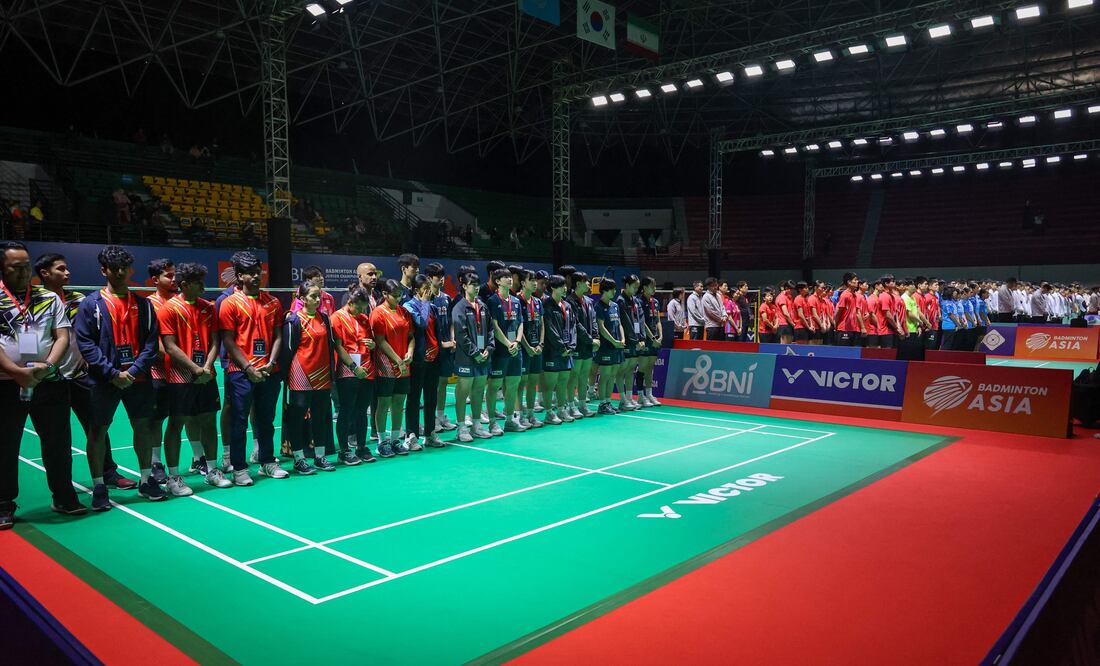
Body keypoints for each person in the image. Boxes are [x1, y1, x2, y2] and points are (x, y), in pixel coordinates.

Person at [34, 252, 136, 491]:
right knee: (56, 437)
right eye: (60, 269)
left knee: (97, 425)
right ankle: (62, 488)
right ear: (44, 274)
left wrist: (93, 362)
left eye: (67, 268)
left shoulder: (79, 300)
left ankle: (108, 473)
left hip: (81, 375)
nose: (67, 273)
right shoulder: (35, 302)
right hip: (50, 378)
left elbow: (92, 337)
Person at [0, 241, 85, 527]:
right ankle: (3, 503)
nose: (24, 272)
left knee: (58, 443)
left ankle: (64, 495)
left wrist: (47, 365)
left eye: (27, 266)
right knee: (5, 445)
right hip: (5, 385)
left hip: (49, 382)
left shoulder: (48, 297)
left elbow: (62, 336)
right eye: (16, 267)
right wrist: (15, 371)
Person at [75, 245, 163, 507]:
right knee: (98, 429)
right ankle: (99, 486)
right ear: (104, 271)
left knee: (142, 427)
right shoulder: (92, 304)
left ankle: (146, 480)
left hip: (138, 378)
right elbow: (85, 343)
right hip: (104, 379)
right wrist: (112, 373)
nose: (121, 272)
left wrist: (133, 371)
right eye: (115, 269)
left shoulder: (143, 305)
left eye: (125, 268)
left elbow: (150, 343)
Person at [157, 263, 232, 495]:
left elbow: (214, 342)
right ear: (185, 284)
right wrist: (194, 368)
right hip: (180, 376)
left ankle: (211, 471)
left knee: (209, 421)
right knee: (176, 424)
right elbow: (169, 346)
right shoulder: (169, 309)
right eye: (198, 282)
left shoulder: (208, 308)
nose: (203, 286)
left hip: (206, 374)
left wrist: (207, 366)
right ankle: (173, 477)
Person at [219, 251, 287, 485]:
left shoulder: (273, 302)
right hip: (241, 372)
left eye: (258, 272)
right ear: (239, 276)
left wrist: (271, 361)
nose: (257, 276)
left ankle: (267, 462)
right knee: (239, 420)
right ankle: (239, 468)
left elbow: (278, 335)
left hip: (269, 371)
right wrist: (248, 367)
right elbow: (228, 340)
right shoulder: (229, 304)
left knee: (266, 419)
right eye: (250, 273)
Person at [281, 281, 343, 475]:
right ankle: (299, 459)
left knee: (320, 416)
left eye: (319, 296)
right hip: (301, 374)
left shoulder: (324, 318)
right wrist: (288, 377)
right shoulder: (294, 320)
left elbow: (330, 346)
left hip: (322, 374)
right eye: (313, 296)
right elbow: (288, 350)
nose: (318, 300)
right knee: (298, 417)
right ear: (302, 299)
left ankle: (319, 456)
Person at [331, 286, 377, 464]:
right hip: (347, 371)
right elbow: (339, 346)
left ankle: (361, 447)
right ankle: (343, 451)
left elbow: (370, 342)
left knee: (361, 411)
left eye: (364, 308)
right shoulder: (337, 318)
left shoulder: (364, 319)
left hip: (367, 370)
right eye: (358, 307)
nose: (361, 311)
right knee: (346, 411)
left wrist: (372, 345)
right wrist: (353, 367)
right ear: (350, 302)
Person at [370, 279, 415, 457]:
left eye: (400, 295)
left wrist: (410, 353)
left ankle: (395, 439)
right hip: (386, 366)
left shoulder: (404, 312)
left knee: (398, 403)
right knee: (383, 404)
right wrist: (398, 360)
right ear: (385, 294)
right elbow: (380, 341)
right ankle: (382, 442)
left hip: (404, 365)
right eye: (395, 295)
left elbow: (411, 336)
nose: (398, 298)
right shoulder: (378, 314)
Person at [404, 274, 446, 448]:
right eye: (425, 288)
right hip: (418, 360)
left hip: (434, 359)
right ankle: (411, 435)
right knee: (414, 398)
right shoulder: (408, 306)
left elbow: (437, 331)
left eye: (430, 287)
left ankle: (429, 434)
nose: (429, 291)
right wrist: (425, 303)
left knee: (431, 398)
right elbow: (420, 323)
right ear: (416, 291)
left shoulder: (434, 308)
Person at [453, 272, 493, 442]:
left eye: (478, 284)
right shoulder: (459, 308)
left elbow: (490, 329)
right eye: (472, 284)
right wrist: (475, 352)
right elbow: (461, 335)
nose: (476, 287)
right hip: (466, 358)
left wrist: (489, 348)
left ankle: (476, 425)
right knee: (463, 393)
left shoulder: (482, 306)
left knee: (478, 391)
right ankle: (462, 427)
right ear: (464, 286)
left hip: (483, 356)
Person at [427, 264, 457, 435]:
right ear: (430, 278)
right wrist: (440, 343)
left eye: (443, 276)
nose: (442, 279)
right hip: (433, 349)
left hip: (446, 348)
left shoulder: (446, 298)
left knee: (444, 383)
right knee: (433, 385)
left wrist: (452, 339)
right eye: (438, 276)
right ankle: (432, 419)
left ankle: (440, 416)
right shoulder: (427, 298)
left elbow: (451, 322)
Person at [542, 275, 577, 425]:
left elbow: (573, 327)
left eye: (565, 285)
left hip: (567, 350)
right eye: (561, 286)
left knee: (563, 382)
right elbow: (549, 328)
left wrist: (571, 346)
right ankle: (549, 413)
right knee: (550, 384)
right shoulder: (546, 305)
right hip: (553, 351)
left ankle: (562, 409)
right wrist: (561, 347)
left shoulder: (567, 305)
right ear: (552, 288)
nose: (565, 288)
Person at [517, 269, 546, 428]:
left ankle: (530, 414)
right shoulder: (517, 301)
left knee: (533, 382)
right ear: (523, 283)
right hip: (523, 349)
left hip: (537, 348)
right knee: (521, 383)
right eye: (531, 280)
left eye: (536, 280)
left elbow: (542, 324)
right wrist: (527, 347)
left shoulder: (538, 302)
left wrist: (541, 343)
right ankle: (520, 415)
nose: (535, 283)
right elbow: (517, 327)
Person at [568, 271, 598, 418]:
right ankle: (570, 406)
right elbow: (576, 324)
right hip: (578, 344)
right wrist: (590, 339)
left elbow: (593, 321)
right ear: (578, 283)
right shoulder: (570, 301)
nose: (588, 283)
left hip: (589, 344)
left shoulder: (589, 301)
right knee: (574, 376)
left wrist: (596, 337)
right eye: (586, 281)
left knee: (584, 375)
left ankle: (582, 405)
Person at [594, 278, 625, 416]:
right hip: (606, 346)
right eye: (612, 289)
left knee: (612, 376)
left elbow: (619, 324)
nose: (615, 291)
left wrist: (622, 339)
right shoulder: (598, 306)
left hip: (617, 345)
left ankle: (608, 401)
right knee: (605, 376)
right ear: (605, 290)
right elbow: (601, 327)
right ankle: (602, 404)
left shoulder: (615, 305)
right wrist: (613, 341)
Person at [638, 276, 663, 407]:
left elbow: (658, 320)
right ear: (644, 287)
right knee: (642, 367)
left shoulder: (656, 302)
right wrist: (652, 338)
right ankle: (641, 396)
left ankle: (649, 394)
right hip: (646, 339)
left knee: (650, 368)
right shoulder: (639, 302)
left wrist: (660, 336)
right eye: (652, 286)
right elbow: (642, 323)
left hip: (655, 339)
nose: (654, 288)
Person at [833, 272, 863, 346]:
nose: (857, 282)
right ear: (849, 282)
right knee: (843, 354)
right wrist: (835, 326)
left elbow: (857, 312)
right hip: (843, 329)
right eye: (855, 280)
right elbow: (838, 312)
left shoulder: (855, 295)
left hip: (853, 329)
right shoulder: (844, 295)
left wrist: (862, 327)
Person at [700, 277, 727, 342]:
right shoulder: (706, 297)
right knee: (711, 348)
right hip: (712, 326)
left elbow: (722, 307)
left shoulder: (718, 295)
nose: (715, 287)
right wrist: (720, 319)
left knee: (721, 347)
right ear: (708, 287)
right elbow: (710, 312)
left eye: (716, 285)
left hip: (721, 325)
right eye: (713, 286)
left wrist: (725, 316)